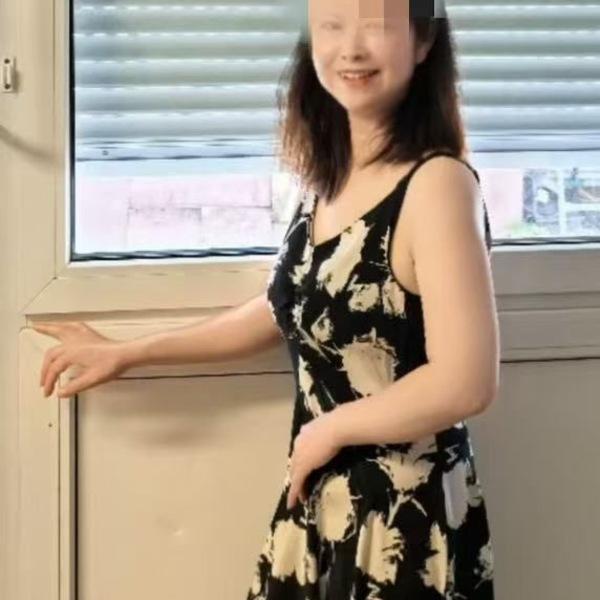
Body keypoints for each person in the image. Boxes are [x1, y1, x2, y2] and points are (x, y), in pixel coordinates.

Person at [34, 0, 500, 598]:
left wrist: (330, 430)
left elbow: (466, 381)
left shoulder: (437, 185)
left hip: (405, 520)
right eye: (331, 24)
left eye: (376, 24)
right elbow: (292, 308)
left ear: (424, 40)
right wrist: (129, 352)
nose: (351, 48)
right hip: (323, 499)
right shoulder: (330, 181)